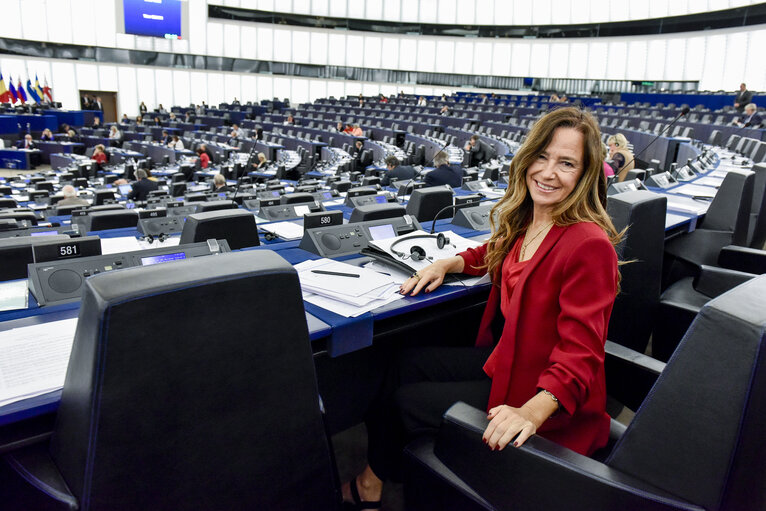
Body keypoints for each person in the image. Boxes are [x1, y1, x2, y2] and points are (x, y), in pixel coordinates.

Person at [342, 107, 621, 509]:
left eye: (566, 163)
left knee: (405, 403)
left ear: (585, 174)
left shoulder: (588, 244)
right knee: (402, 364)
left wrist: (531, 412)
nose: (547, 172)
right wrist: (448, 263)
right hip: (509, 362)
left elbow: (583, 352)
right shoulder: (532, 220)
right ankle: (382, 475)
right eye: (541, 156)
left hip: (540, 394)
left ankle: (372, 486)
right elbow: (497, 251)